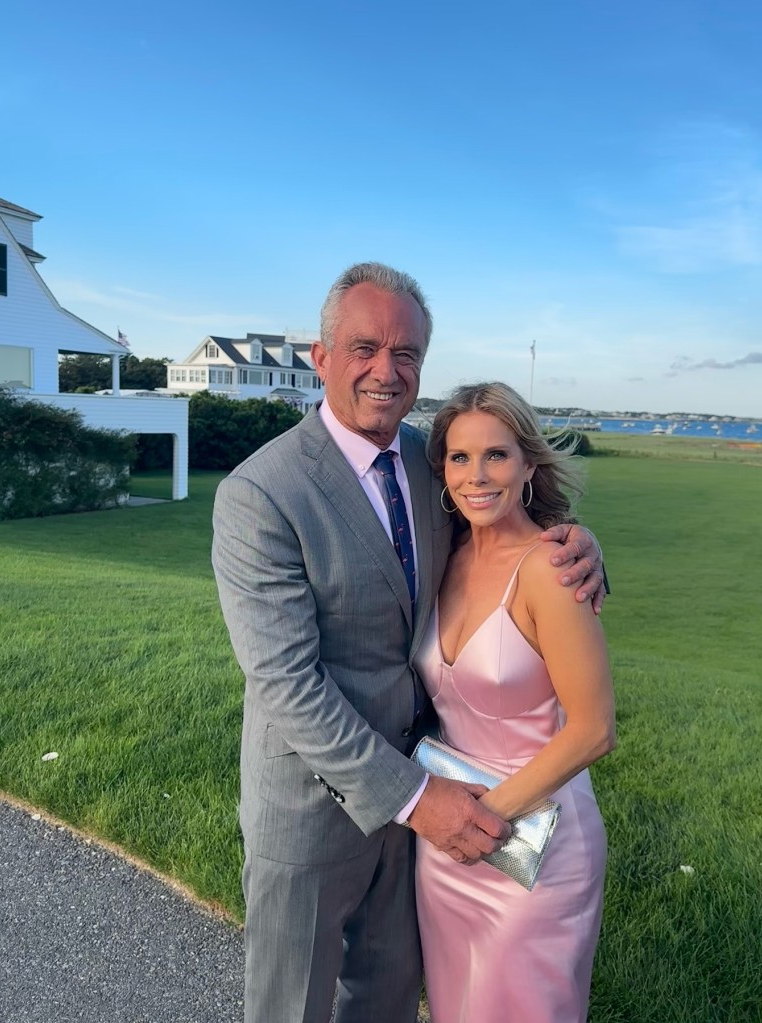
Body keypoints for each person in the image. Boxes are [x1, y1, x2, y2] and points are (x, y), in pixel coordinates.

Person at [212, 263, 607, 1023]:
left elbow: (512, 540)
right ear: (320, 356)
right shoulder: (260, 495)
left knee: (388, 998)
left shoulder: (435, 462)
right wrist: (418, 799)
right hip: (316, 810)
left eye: (407, 355)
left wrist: (582, 548)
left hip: (432, 799)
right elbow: (287, 684)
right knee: (291, 1006)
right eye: (364, 347)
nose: (385, 371)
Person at [415, 381, 616, 1023]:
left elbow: (593, 731)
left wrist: (482, 822)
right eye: (459, 457)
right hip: (448, 840)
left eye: (496, 456)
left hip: (537, 844)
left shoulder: (553, 569)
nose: (477, 476)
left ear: (529, 465)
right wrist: (451, 825)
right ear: (442, 470)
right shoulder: (442, 555)